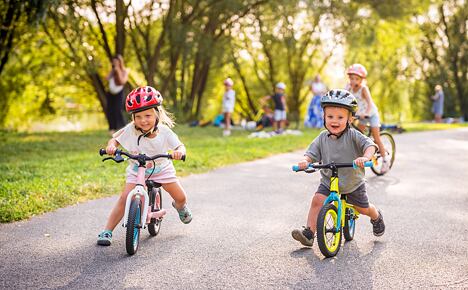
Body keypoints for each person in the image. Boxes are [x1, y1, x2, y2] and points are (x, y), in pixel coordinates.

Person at [97, 86, 192, 246]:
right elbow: (114, 140)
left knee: (181, 197)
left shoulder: (164, 132)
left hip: (162, 169)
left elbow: (180, 146)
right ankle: (107, 231)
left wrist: (178, 152)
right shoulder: (131, 130)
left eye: (148, 115)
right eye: (138, 116)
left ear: (157, 114)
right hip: (137, 170)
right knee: (124, 198)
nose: (143, 120)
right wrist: (111, 146)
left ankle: (180, 207)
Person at [291, 89, 385, 247]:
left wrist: (365, 157)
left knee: (362, 209)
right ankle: (309, 233)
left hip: (352, 183)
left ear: (350, 118)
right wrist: (304, 161)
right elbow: (311, 154)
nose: (334, 121)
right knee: (317, 201)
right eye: (330, 116)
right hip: (329, 181)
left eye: (340, 117)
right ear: (324, 117)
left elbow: (370, 145)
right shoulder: (322, 137)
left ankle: (376, 216)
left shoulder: (353, 135)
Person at [345, 63, 390, 173]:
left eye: (356, 79)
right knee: (358, 135)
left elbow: (369, 103)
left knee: (376, 137)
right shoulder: (348, 87)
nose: (353, 81)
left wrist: (367, 113)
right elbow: (345, 99)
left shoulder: (363, 89)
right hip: (360, 114)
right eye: (351, 78)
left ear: (361, 80)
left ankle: (385, 160)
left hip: (371, 114)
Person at [106, 55, 128, 134]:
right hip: (110, 94)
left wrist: (118, 70)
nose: (114, 63)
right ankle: (112, 128)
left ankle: (122, 128)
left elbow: (123, 81)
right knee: (110, 111)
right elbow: (107, 78)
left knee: (118, 110)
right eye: (113, 61)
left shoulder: (124, 71)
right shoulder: (112, 71)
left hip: (119, 93)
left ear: (120, 62)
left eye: (116, 61)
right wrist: (113, 71)